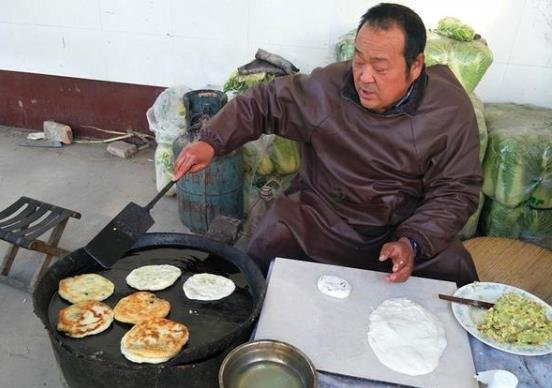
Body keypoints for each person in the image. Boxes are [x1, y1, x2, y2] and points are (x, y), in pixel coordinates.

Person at [173, 3, 482, 286]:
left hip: (398, 227)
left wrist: (413, 241)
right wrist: (211, 141)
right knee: (271, 237)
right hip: (324, 220)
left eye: (380, 67)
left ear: (415, 66)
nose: (364, 76)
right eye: (359, 60)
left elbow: (457, 190)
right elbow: (263, 103)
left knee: (456, 267)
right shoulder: (329, 87)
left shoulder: (449, 110)